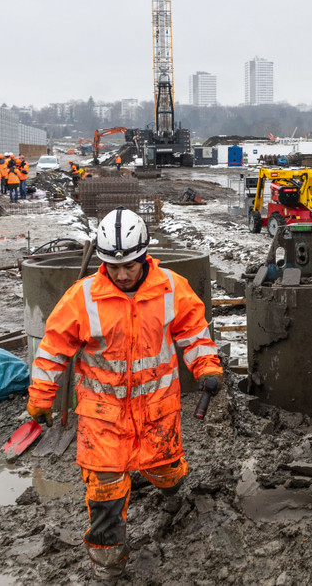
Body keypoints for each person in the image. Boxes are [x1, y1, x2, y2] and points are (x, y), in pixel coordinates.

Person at [27, 207, 222, 580]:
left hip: (157, 412)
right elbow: (52, 350)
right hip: (103, 417)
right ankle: (108, 564)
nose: (121, 274)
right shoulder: (82, 298)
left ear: (144, 255)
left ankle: (172, 496)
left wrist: (207, 366)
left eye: (129, 266)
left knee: (166, 470)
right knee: (104, 491)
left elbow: (194, 332)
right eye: (113, 267)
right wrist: (40, 397)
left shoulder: (171, 287)